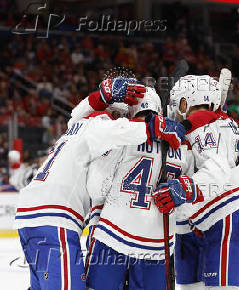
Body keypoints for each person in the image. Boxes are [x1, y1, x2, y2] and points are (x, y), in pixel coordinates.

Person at [13, 77, 179, 290]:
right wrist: (152, 126)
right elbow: (115, 131)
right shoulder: (100, 125)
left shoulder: (78, 124)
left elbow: (76, 114)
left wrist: (97, 97)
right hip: (54, 218)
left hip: (33, 214)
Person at [152, 75, 239, 289]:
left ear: (187, 102)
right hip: (202, 217)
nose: (174, 108)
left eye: (178, 102)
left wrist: (183, 188)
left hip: (228, 212)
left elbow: (216, 170)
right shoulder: (210, 123)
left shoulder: (209, 127)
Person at [83, 87, 189, 290]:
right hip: (157, 244)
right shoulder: (178, 145)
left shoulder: (121, 136)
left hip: (114, 235)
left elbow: (96, 189)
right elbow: (187, 197)